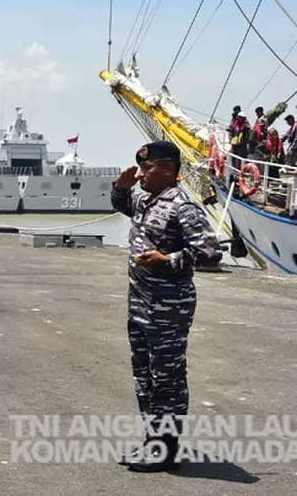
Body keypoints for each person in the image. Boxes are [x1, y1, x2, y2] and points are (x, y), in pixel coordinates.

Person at [110, 140, 222, 472]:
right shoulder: (146, 198)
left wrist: (167, 259)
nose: (142, 173)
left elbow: (210, 253)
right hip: (141, 304)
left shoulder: (182, 207)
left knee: (167, 379)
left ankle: (166, 448)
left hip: (169, 308)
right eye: (141, 168)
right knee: (144, 376)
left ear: (169, 170)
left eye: (148, 168)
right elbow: (123, 204)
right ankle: (152, 442)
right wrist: (120, 187)